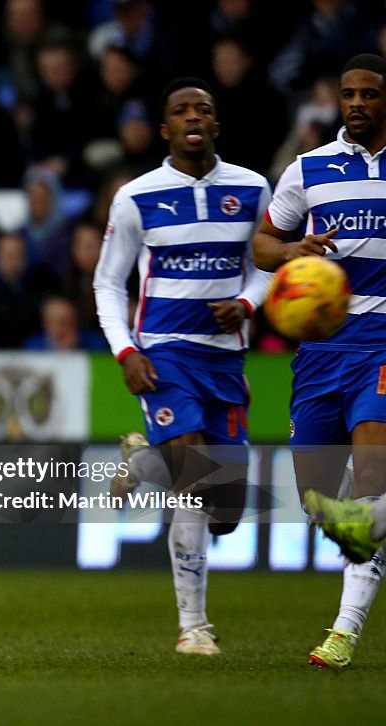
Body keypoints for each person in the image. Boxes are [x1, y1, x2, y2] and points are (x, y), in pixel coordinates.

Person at [93, 77, 272, 656]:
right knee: (195, 486)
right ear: (165, 128)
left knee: (225, 515)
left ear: (216, 126)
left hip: (225, 360)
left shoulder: (250, 189)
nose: (193, 116)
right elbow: (107, 281)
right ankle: (193, 628)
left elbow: (267, 264)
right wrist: (126, 351)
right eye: (180, 110)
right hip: (165, 353)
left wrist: (247, 303)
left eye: (204, 109)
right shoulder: (136, 196)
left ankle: (146, 462)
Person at [254, 53, 386, 671]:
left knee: (371, 483)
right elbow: (260, 244)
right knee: (317, 500)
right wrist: (290, 250)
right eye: (348, 94)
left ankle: (344, 632)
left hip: (380, 346)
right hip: (319, 354)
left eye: (369, 95)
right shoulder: (308, 170)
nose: (357, 103)